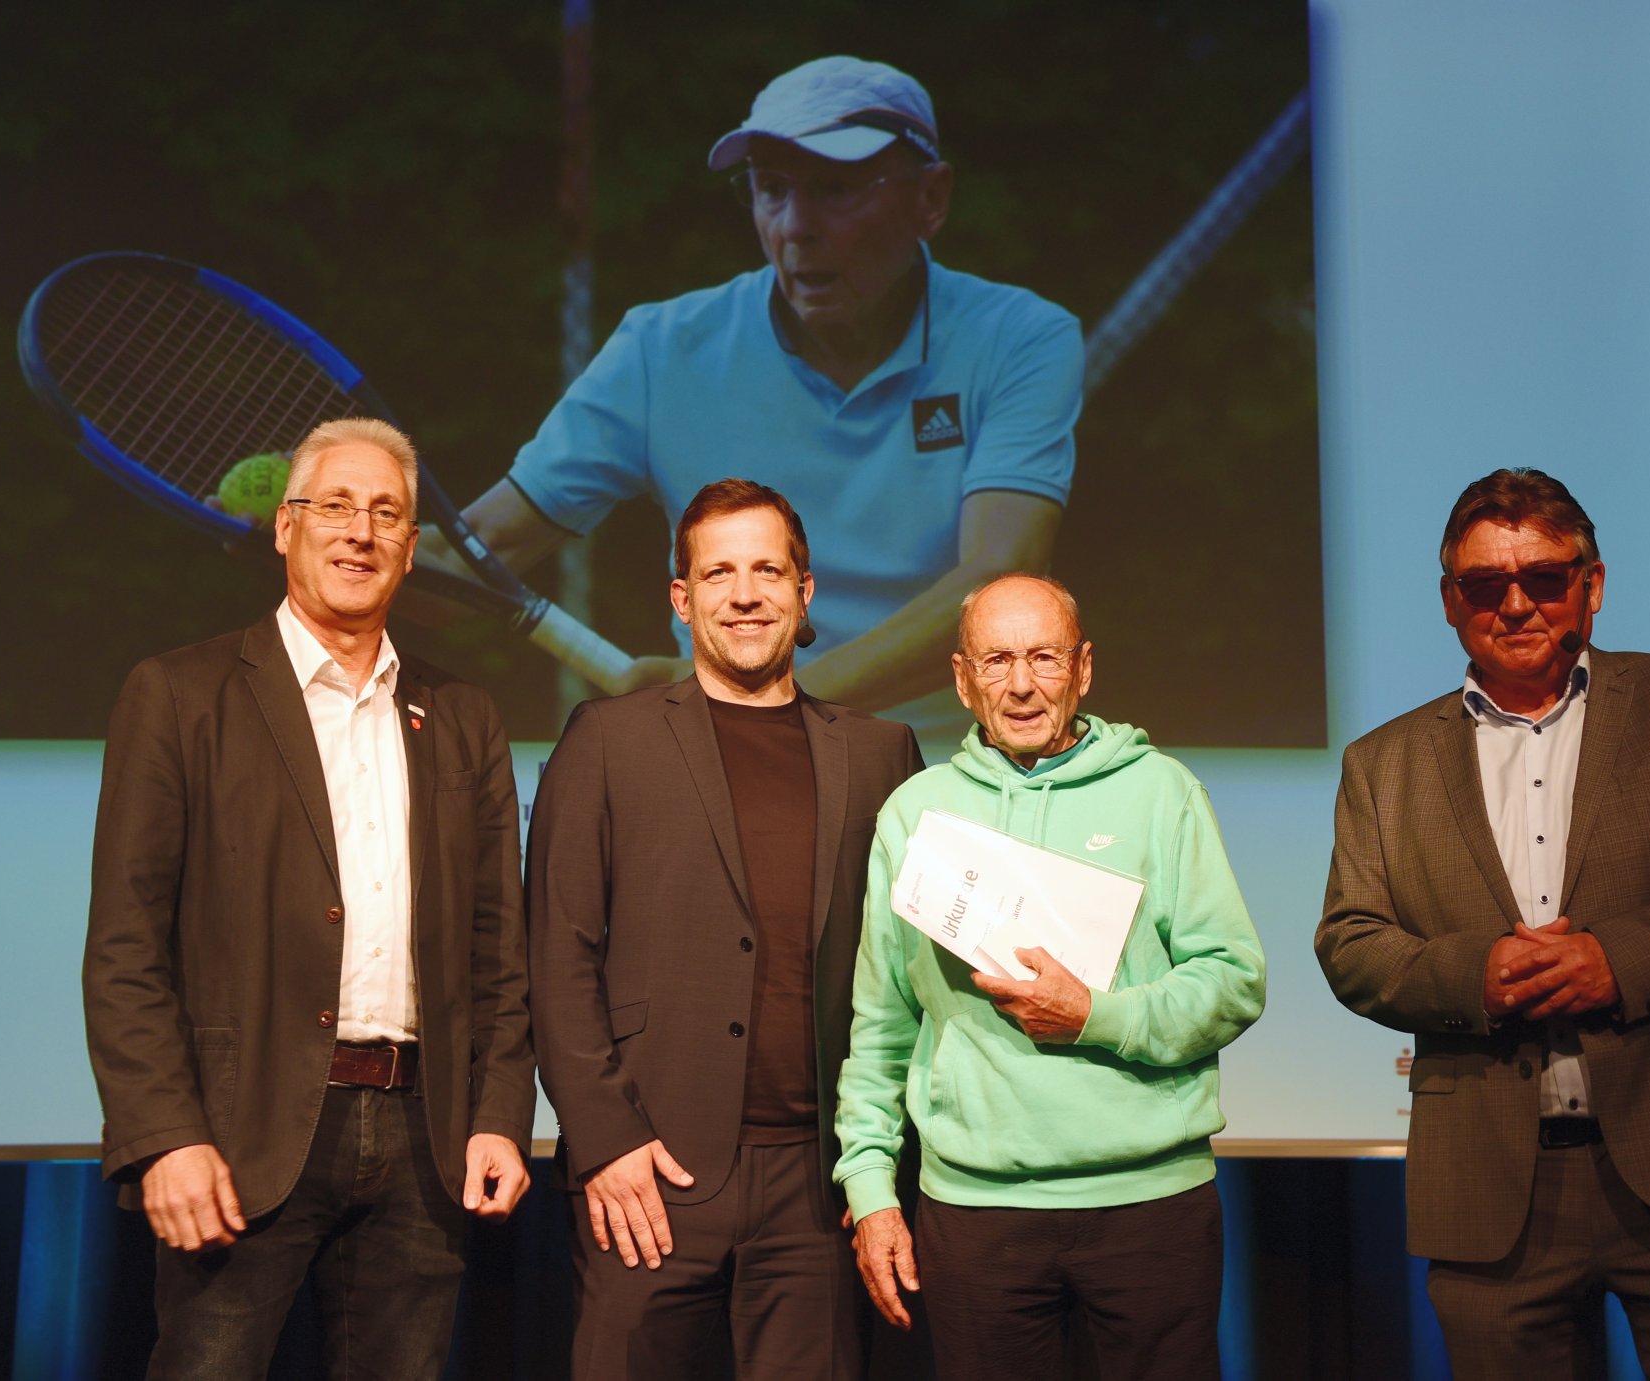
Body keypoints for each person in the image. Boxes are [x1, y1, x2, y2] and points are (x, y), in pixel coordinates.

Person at [1316, 466, 1650, 1378]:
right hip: (1491, 1180)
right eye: (1484, 585)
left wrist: (1615, 960)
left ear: (1590, 586)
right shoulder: (1381, 762)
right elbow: (1350, 941)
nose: (1514, 604)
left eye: (1544, 578)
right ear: (1448, 601)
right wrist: (1478, 974)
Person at [82, 417, 536, 1379]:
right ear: (284, 528)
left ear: (412, 549)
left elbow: (500, 949)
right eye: (334, 506)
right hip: (241, 1138)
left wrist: (498, 1113)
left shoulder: (462, 714)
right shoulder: (178, 695)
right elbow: (126, 948)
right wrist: (165, 1137)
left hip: (425, 1142)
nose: (359, 531)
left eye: (385, 513)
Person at [448, 55, 1082, 738]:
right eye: (771, 189)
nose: (795, 225)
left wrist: (766, 698)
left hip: (953, 772)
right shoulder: (660, 348)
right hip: (727, 760)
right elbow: (482, 547)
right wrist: (332, 547)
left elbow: (997, 581)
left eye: (835, 188)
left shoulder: (1023, 337)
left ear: (931, 198)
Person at [525, 479, 924, 1379]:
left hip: (818, 1188)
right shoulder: (606, 737)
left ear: (805, 589)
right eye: (719, 573)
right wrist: (605, 1140)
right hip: (651, 1168)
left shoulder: (880, 752)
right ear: (682, 598)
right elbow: (556, 957)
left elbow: (911, 975)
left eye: (767, 570)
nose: (745, 594)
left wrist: (874, 1176)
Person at [834, 573, 1266, 1380]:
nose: (1023, 683)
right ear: (962, 679)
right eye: (997, 660)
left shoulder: (1159, 792)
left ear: (1085, 668)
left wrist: (1095, 1014)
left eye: (1044, 656)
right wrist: (869, 1185)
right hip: (976, 1213)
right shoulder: (916, 815)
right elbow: (882, 1023)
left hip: (1150, 1207)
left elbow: (1234, 976)